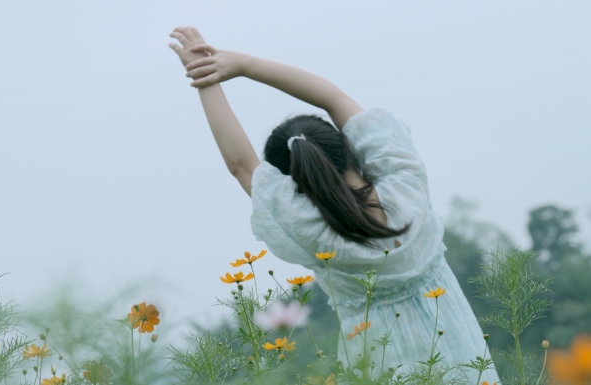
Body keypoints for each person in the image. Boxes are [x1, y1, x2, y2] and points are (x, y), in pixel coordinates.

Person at [169, 26, 500, 383]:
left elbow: (241, 166)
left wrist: (205, 80)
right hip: (463, 362)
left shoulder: (312, 232)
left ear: (294, 184)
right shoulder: (407, 186)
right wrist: (242, 64)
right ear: (349, 146)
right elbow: (333, 97)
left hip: (376, 369)